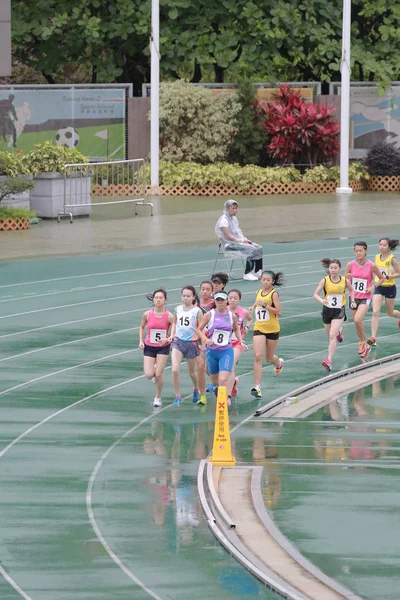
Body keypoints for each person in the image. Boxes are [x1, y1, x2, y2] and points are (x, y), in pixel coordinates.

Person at [198, 291, 247, 405]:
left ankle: (223, 405)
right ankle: (218, 390)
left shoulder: (231, 316)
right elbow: (199, 330)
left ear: (226, 301)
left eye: (222, 300)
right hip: (212, 352)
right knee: (215, 381)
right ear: (215, 301)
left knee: (223, 380)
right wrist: (205, 340)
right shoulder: (209, 315)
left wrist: (240, 341)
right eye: (218, 300)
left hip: (226, 351)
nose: (220, 302)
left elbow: (236, 329)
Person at [344, 241, 385, 358]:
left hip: (365, 297)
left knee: (357, 319)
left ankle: (363, 342)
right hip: (353, 297)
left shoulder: (371, 265)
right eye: (356, 251)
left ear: (366, 251)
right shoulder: (350, 265)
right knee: (357, 323)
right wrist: (347, 278)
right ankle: (363, 343)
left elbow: (381, 278)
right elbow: (344, 280)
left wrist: (373, 287)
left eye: (360, 251)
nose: (358, 253)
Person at [313, 258, 354, 372]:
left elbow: (351, 290)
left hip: (339, 310)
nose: (333, 270)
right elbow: (315, 294)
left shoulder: (344, 281)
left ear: (340, 269)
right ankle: (340, 330)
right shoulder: (325, 280)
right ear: (329, 269)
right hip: (327, 310)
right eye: (331, 268)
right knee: (329, 335)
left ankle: (329, 360)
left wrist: (352, 300)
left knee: (332, 336)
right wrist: (322, 300)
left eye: (335, 268)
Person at [249, 271, 284, 399]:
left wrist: (265, 305)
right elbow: (257, 302)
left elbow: (279, 311)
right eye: (263, 279)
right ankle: (257, 386)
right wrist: (252, 307)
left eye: (268, 280)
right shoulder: (258, 292)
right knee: (258, 356)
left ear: (273, 281)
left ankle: (279, 364)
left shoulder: (273, 294)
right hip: (259, 328)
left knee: (269, 358)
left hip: (272, 329)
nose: (265, 282)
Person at [139, 288, 174, 408]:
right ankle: (153, 369)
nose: (158, 300)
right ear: (153, 299)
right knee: (149, 375)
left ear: (165, 300)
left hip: (163, 347)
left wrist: (168, 339)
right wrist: (140, 341)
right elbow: (142, 327)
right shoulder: (147, 314)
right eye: (156, 298)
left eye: (161, 298)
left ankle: (158, 398)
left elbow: (174, 332)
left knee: (158, 375)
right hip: (149, 346)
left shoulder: (169, 316)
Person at [215, 200, 263, 281]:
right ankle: (247, 273)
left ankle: (258, 271)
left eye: (236, 208)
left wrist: (244, 239)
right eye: (233, 208)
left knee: (259, 248)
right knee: (251, 249)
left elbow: (238, 232)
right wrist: (241, 241)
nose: (235, 210)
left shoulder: (234, 219)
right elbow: (228, 237)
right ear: (227, 209)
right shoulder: (224, 220)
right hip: (229, 244)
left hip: (238, 242)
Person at [170, 286, 202, 407]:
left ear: (194, 297)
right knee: (174, 369)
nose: (186, 298)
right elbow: (174, 322)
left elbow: (201, 327)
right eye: (184, 296)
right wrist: (172, 335)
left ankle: (195, 388)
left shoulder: (197, 311)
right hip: (178, 342)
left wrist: (202, 343)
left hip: (191, 344)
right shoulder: (177, 309)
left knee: (191, 372)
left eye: (188, 296)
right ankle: (178, 396)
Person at [368, 237, 400, 346]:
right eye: (380, 245)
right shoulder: (376, 257)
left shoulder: (392, 259)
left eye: (384, 245)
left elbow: (399, 273)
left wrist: (390, 276)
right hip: (379, 287)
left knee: (390, 313)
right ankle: (373, 338)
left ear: (389, 247)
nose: (381, 247)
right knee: (375, 312)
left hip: (390, 287)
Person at [227, 289, 252, 398]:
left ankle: (227, 396)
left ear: (239, 300)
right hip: (224, 344)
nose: (232, 300)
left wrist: (246, 326)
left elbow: (250, 319)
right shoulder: (222, 310)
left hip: (237, 343)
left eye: (235, 298)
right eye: (230, 298)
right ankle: (233, 383)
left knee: (231, 366)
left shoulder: (243, 311)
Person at [197, 280, 215, 405]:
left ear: (212, 291)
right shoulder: (196, 304)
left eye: (208, 289)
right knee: (200, 366)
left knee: (210, 370)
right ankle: (202, 394)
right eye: (203, 289)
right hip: (200, 338)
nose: (205, 291)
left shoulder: (216, 304)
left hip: (212, 339)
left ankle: (230, 381)